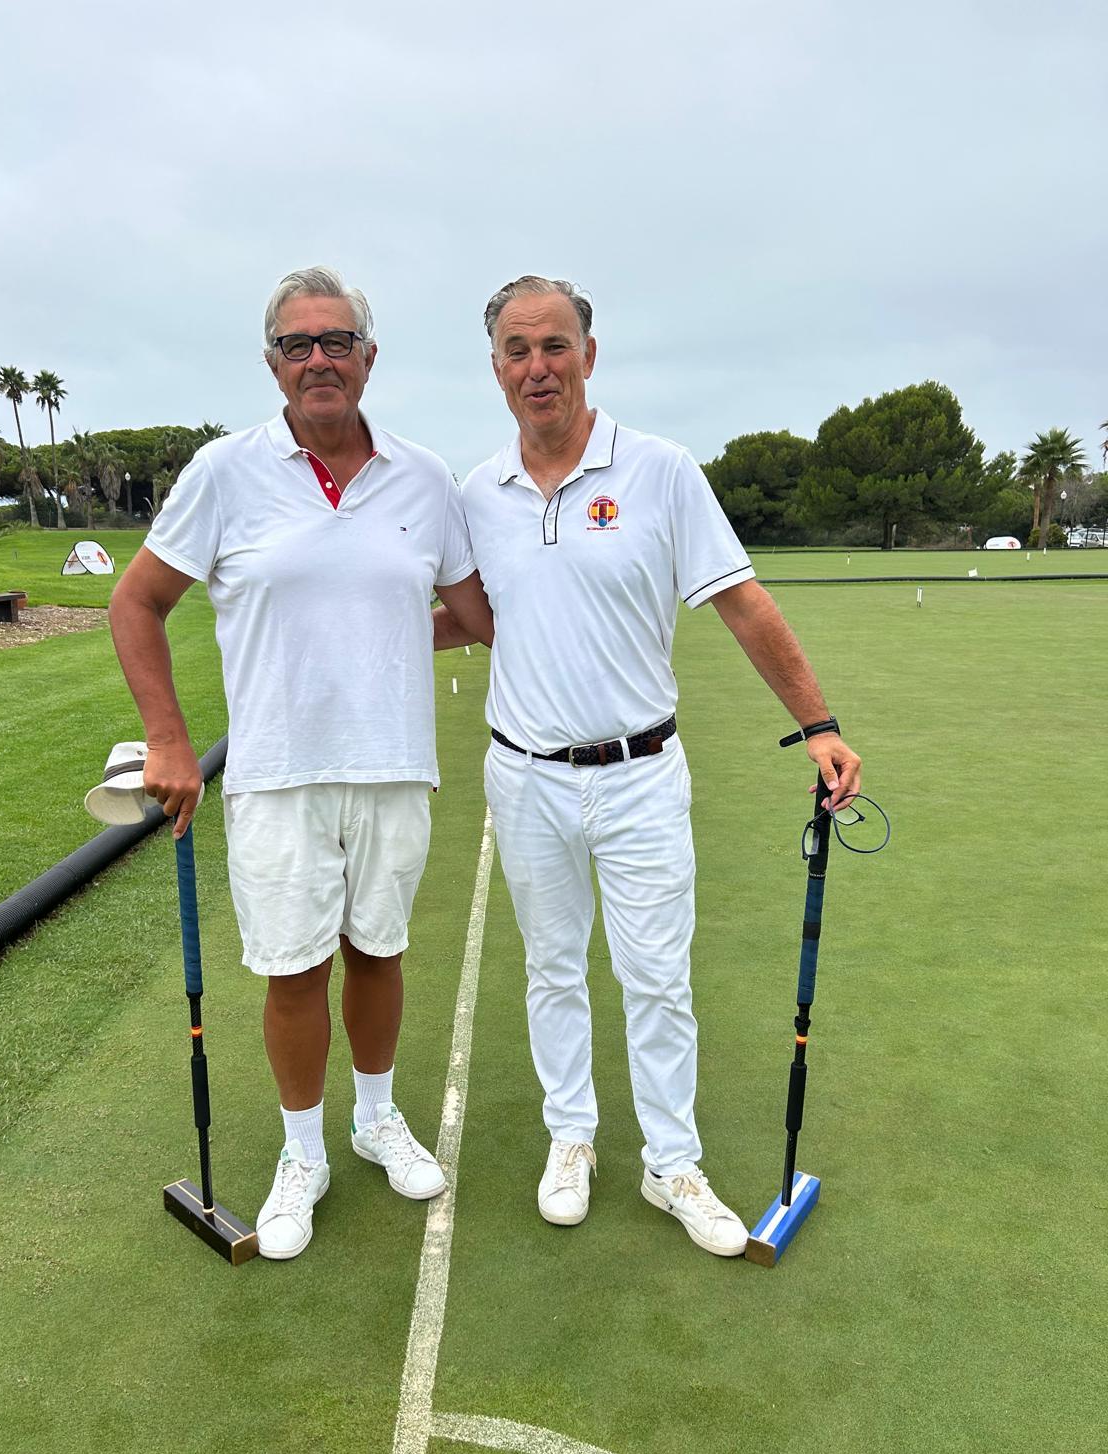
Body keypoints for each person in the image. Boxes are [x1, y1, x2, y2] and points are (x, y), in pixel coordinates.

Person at [446, 274, 860, 1258]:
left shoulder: (662, 471)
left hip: (638, 776)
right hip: (526, 776)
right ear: (495, 365)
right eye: (516, 349)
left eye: (554, 346)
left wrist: (819, 723)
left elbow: (744, 602)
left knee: (656, 976)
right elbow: (465, 621)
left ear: (589, 353)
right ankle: (571, 1136)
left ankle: (672, 1162)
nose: (537, 367)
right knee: (553, 969)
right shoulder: (475, 494)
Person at [109, 266, 494, 1261]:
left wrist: (397, 642)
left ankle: (374, 1118)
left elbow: (475, 616)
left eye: (336, 341)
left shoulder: (423, 478)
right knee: (294, 968)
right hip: (279, 771)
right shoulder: (224, 473)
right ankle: (301, 1151)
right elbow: (137, 602)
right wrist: (166, 737)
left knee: (380, 949)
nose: (317, 358)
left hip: (394, 764)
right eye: (297, 344)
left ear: (369, 358)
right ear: (273, 364)